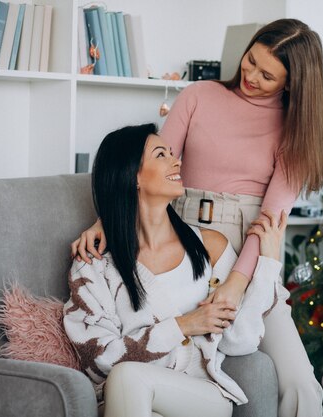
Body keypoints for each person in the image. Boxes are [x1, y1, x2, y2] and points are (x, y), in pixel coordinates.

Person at [72, 18, 323, 417]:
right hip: (182, 237)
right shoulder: (199, 96)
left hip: (244, 252)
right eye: (250, 60)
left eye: (267, 74)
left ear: (292, 83)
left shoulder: (295, 132)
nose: (250, 76)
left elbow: (270, 222)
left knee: (302, 386)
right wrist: (103, 221)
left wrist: (237, 284)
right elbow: (151, 169)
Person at [64, 123, 288, 417]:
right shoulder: (93, 264)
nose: (177, 160)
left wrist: (268, 264)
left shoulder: (210, 246)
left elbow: (240, 340)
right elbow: (97, 359)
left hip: (201, 395)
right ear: (133, 177)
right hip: (131, 401)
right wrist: (184, 325)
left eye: (172, 153)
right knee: (130, 386)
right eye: (161, 155)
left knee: (128, 377)